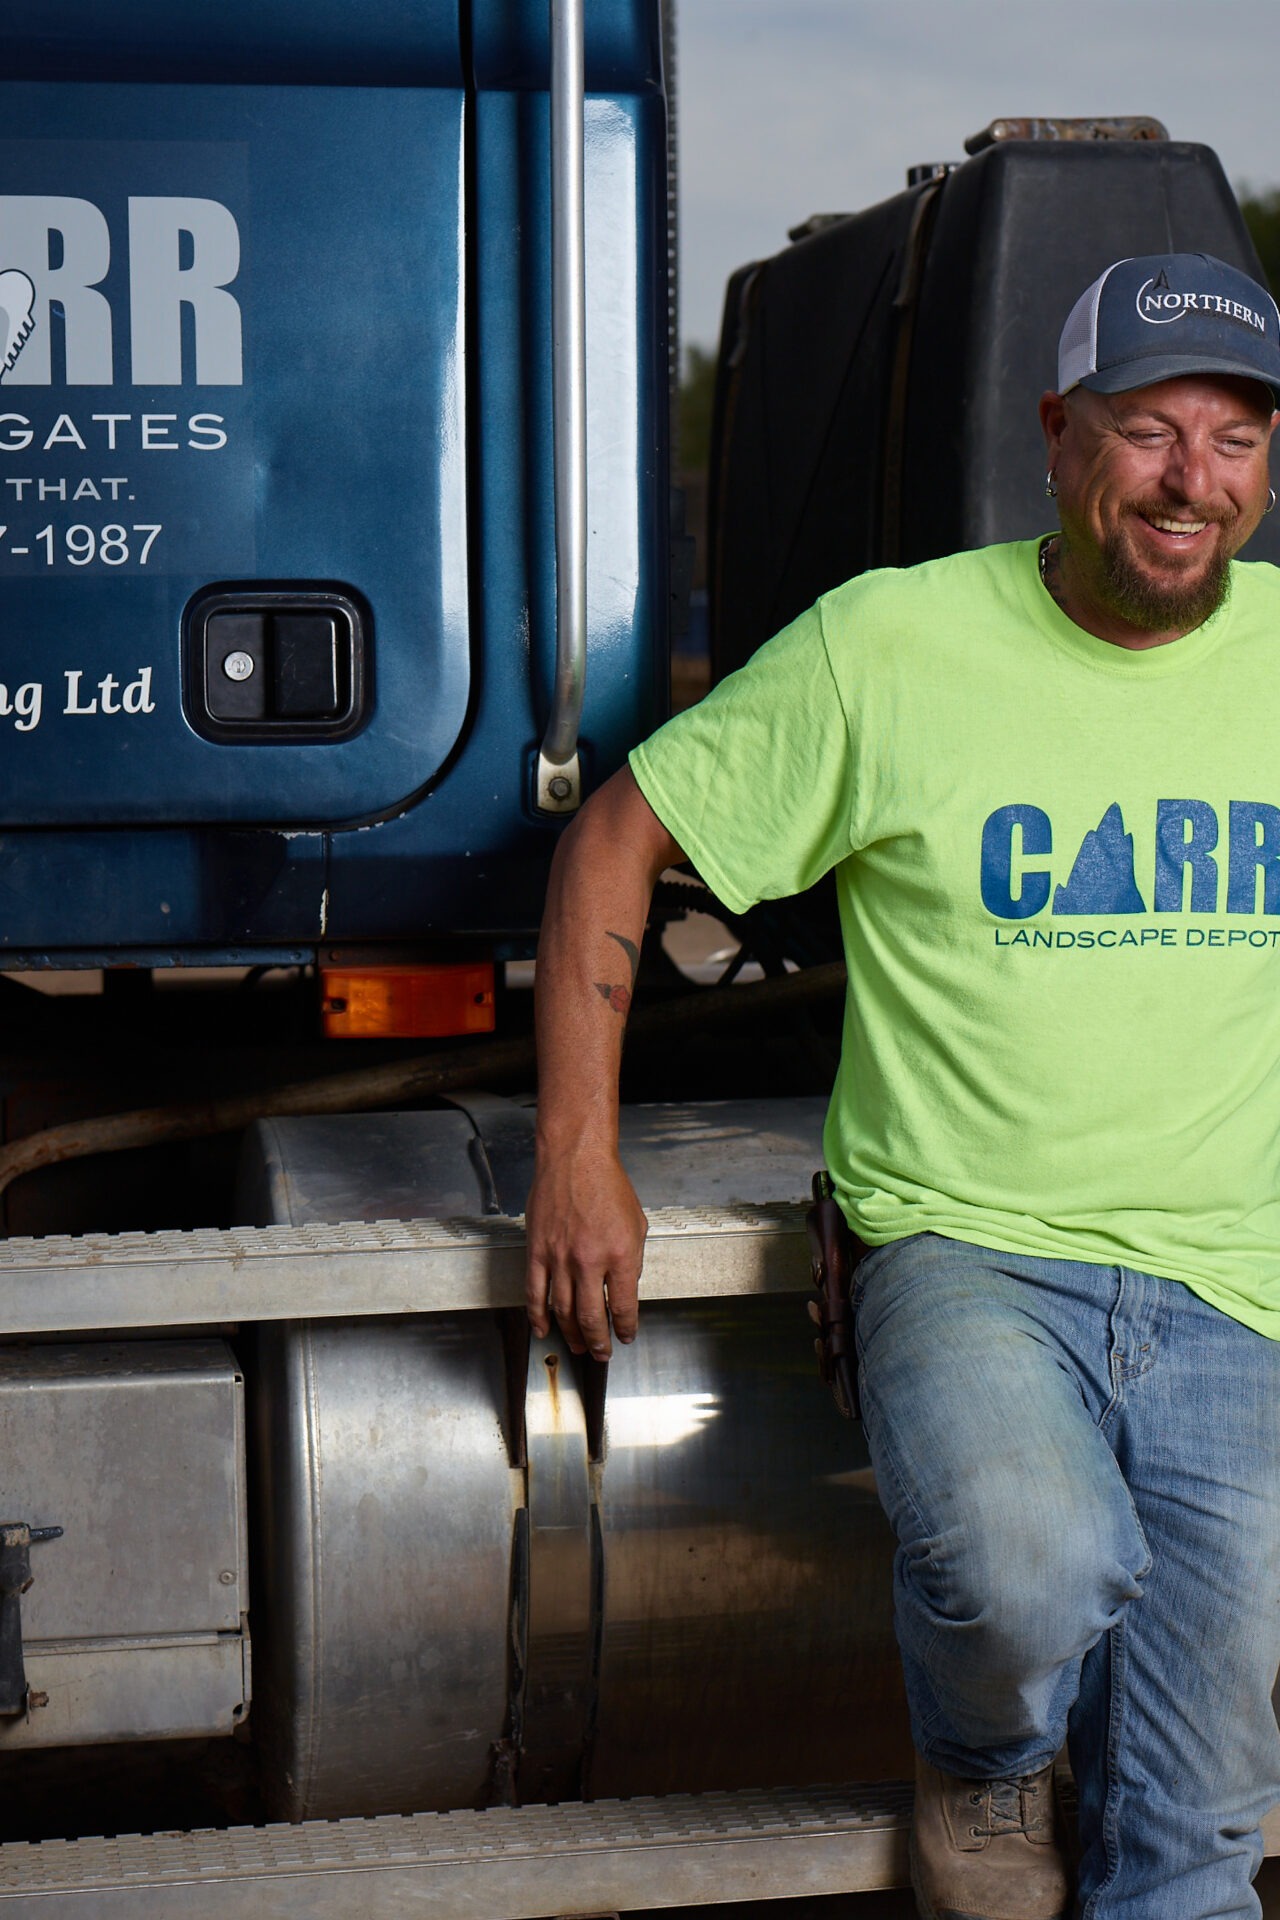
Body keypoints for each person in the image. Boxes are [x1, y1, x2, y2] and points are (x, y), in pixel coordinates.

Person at [523, 251, 1280, 1920]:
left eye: (1234, 441)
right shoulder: (895, 647)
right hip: (969, 1249)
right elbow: (615, 842)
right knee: (1025, 1571)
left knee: (1205, 1834)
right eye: (1149, 431)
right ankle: (991, 1773)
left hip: (1242, 1287)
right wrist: (576, 1156)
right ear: (1056, 434)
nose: (1191, 483)